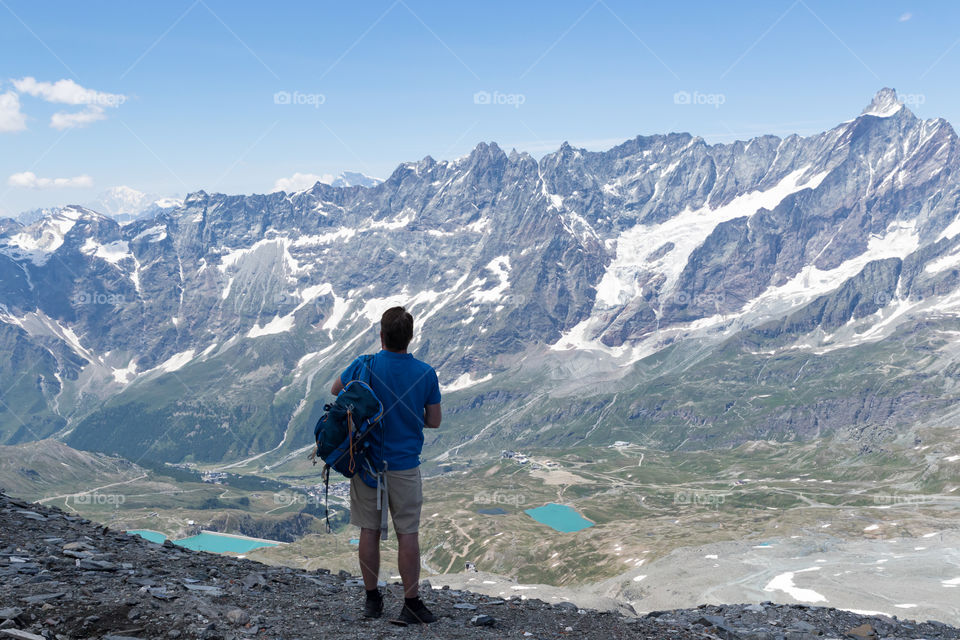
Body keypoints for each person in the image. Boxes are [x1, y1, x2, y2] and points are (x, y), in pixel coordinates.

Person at [331, 306, 442, 624]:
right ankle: (411, 603)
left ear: (381, 336)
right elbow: (433, 420)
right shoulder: (425, 373)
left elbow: (335, 390)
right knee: (408, 532)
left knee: (369, 530)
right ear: (410, 338)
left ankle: (372, 601)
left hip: (366, 462)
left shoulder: (363, 364)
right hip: (404, 465)